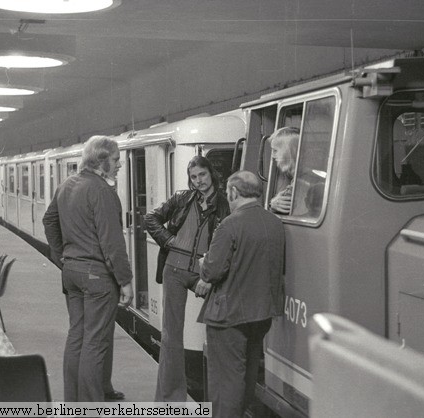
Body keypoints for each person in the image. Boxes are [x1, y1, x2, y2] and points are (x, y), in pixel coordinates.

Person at [43, 135, 134, 402]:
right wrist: (125, 280)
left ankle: (74, 400)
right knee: (95, 341)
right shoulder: (102, 191)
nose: (119, 165)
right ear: (102, 160)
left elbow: (49, 221)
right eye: (116, 160)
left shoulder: (67, 185)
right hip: (97, 276)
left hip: (72, 272)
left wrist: (63, 256)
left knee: (77, 337)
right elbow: (112, 241)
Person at [196, 170, 285, 418]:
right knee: (245, 378)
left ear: (234, 192)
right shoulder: (275, 222)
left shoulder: (230, 224)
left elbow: (212, 271)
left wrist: (203, 263)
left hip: (229, 316)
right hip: (261, 315)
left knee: (225, 383)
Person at [144, 155, 230, 401]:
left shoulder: (224, 204)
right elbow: (151, 218)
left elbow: (226, 243)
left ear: (211, 173)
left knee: (219, 328)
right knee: (171, 335)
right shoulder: (182, 198)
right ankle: (169, 399)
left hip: (204, 272)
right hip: (174, 269)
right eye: (193, 177)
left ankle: (218, 398)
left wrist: (211, 277)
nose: (198, 181)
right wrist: (169, 241)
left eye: (202, 175)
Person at [268, 126, 300, 214]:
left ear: (288, 151)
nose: (273, 156)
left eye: (275, 151)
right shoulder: (296, 178)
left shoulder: (301, 181)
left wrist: (273, 205)